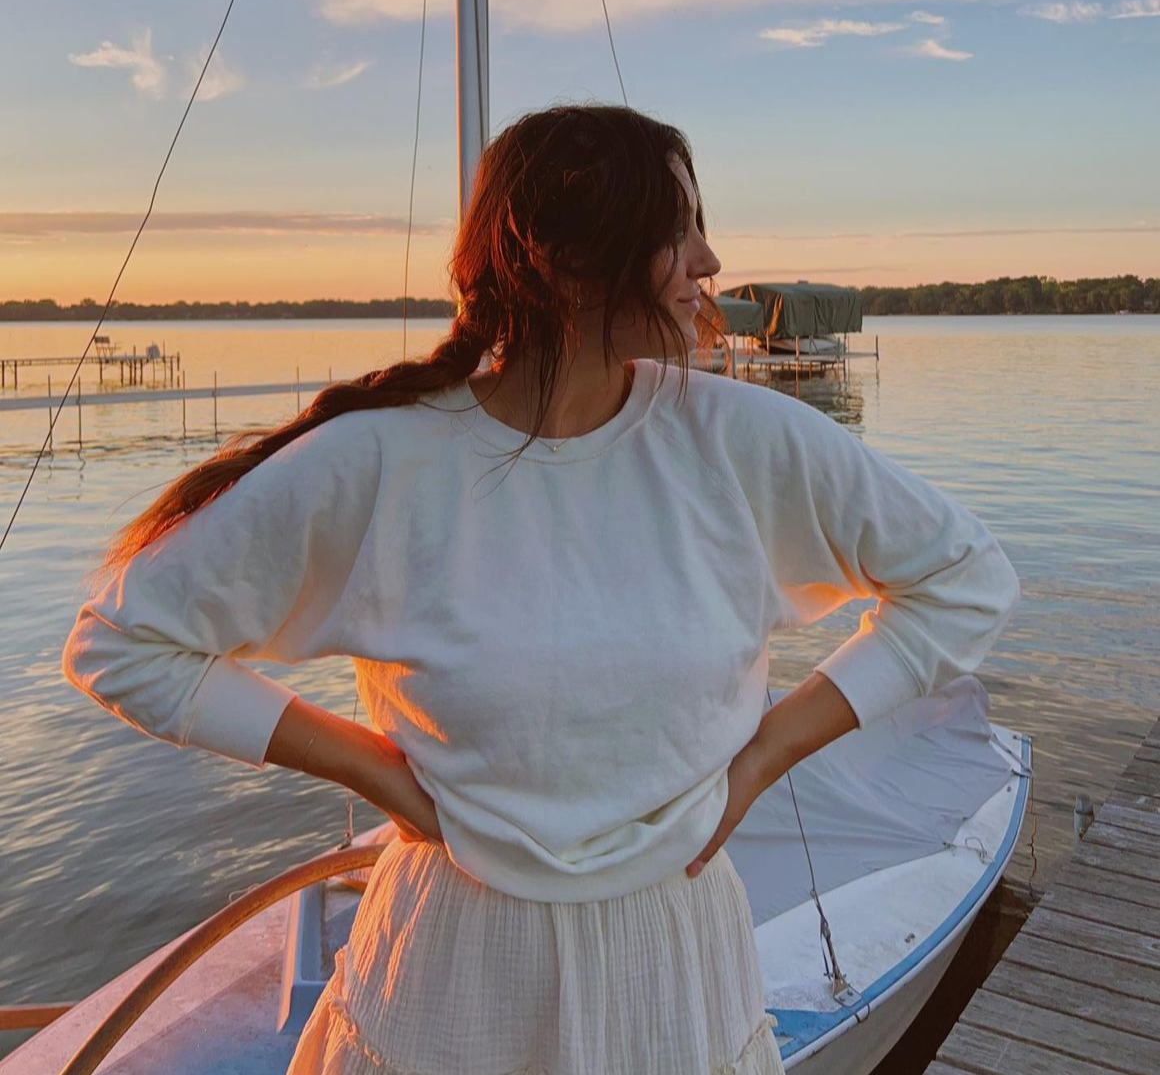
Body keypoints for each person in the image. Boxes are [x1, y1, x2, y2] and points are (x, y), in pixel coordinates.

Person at [63, 104, 1020, 1075]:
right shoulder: (384, 459)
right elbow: (117, 640)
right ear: (565, 263)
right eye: (677, 227)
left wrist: (767, 751)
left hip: (672, 970)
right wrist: (372, 768)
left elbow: (965, 578)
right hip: (447, 974)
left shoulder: (737, 439)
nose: (709, 260)